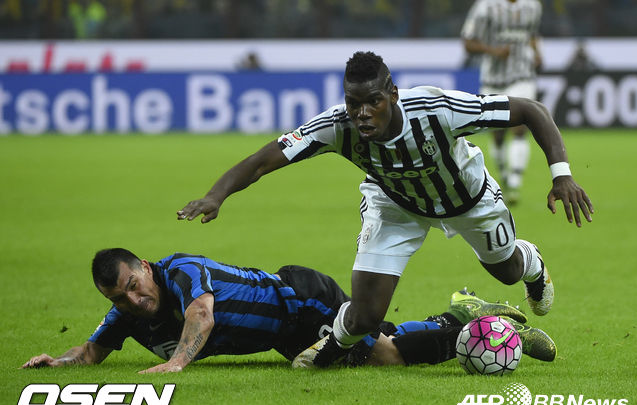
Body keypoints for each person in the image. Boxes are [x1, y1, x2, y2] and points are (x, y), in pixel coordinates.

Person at [177, 51, 592, 368]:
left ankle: (532, 263)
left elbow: (531, 110)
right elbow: (263, 160)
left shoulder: (437, 109)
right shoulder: (335, 126)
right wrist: (217, 195)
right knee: (365, 315)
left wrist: (562, 176)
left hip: (468, 199)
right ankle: (333, 346)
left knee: (507, 271)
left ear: (392, 94)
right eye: (353, 103)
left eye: (372, 101)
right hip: (395, 205)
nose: (361, 113)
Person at [22, 248, 555, 372]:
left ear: (143, 266)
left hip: (298, 300)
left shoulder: (180, 270)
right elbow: (92, 350)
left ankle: (481, 334)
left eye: (134, 285)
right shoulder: (127, 315)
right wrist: (60, 363)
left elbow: (201, 314)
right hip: (286, 336)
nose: (134, 300)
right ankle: (464, 313)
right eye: (120, 298)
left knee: (384, 354)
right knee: (380, 341)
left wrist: (177, 363)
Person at [461, 0, 543, 204]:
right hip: (493, 79)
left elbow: (532, 34)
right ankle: (504, 175)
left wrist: (537, 53)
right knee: (497, 134)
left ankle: (514, 182)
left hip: (523, 74)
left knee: (520, 127)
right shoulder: (484, 7)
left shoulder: (532, 6)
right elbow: (468, 43)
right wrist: (493, 51)